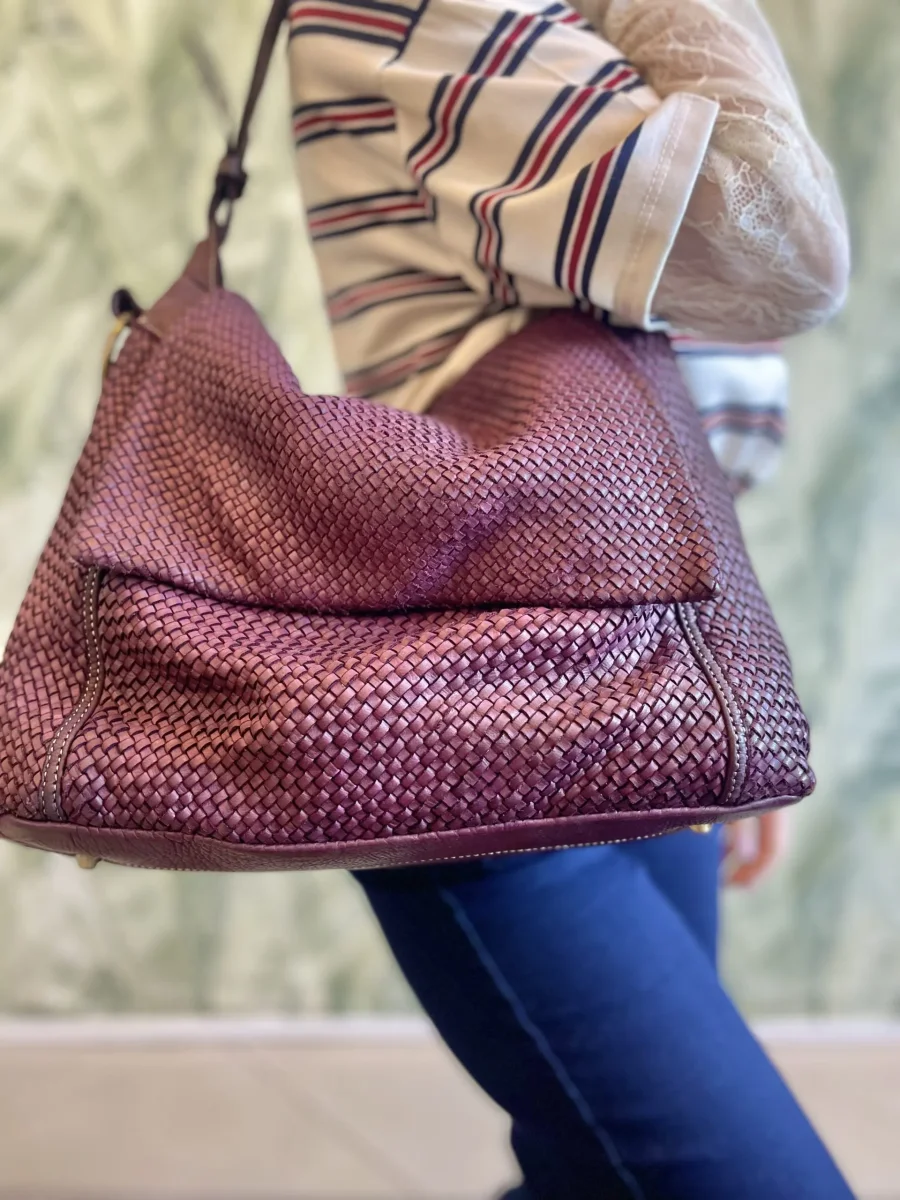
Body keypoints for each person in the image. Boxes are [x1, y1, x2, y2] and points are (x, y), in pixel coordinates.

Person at [287, 0, 853, 1194]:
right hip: (492, 727)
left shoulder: (599, 45)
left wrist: (730, 686)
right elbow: (788, 245)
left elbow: (676, 444)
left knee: (595, 1173)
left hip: (649, 670)